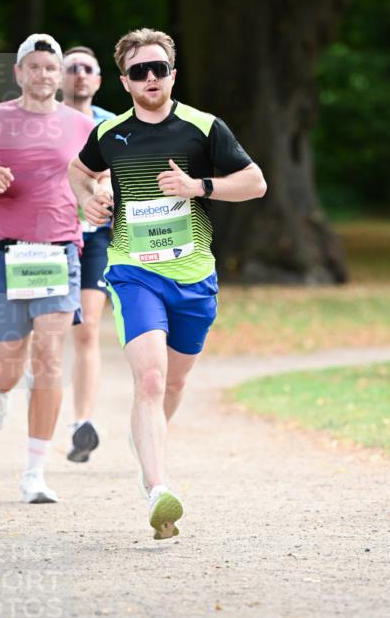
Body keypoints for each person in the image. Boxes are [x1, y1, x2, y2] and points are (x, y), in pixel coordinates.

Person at [68, 27, 267, 539]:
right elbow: (78, 170)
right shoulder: (111, 134)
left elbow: (255, 182)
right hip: (134, 271)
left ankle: (147, 440)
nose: (151, 77)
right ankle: (158, 489)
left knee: (174, 383)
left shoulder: (203, 127)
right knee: (151, 379)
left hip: (195, 276)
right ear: (125, 81)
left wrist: (199, 186)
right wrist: (88, 198)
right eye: (140, 71)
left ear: (173, 74)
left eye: (159, 69)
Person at [0, 34, 96, 504]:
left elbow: (95, 179)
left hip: (60, 252)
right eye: (35, 67)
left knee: (49, 359)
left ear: (59, 74)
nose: (44, 75)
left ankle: (35, 473)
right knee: (6, 374)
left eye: (52, 68)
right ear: (19, 73)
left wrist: (99, 197)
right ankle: (3, 381)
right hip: (7, 255)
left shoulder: (80, 127)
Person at [62, 46, 116, 462]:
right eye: (72, 69)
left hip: (94, 238)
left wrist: (104, 188)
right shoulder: (41, 123)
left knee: (87, 328)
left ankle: (81, 424)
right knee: (42, 331)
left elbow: (116, 174)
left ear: (98, 80)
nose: (80, 75)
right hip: (44, 240)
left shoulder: (112, 127)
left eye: (87, 70)